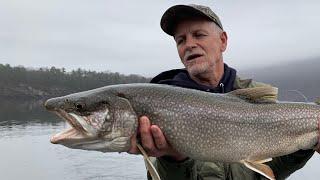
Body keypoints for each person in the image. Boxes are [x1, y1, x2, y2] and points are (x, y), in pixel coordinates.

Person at [128, 4, 315, 180]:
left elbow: (272, 171)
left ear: (223, 41)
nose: (189, 45)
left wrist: (307, 145)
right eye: (181, 40)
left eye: (199, 35)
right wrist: (173, 159)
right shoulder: (160, 104)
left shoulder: (255, 95)